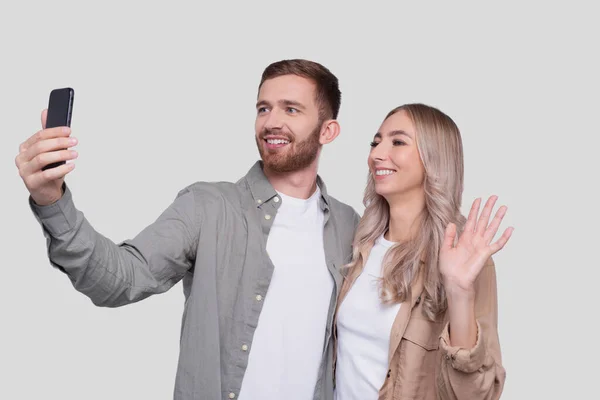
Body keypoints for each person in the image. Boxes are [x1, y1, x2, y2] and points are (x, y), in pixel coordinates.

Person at [15, 59, 360, 400]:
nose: (271, 122)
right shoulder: (207, 206)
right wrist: (51, 199)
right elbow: (120, 280)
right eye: (263, 108)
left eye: (291, 110)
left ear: (327, 131)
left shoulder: (350, 226)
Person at [333, 103, 513, 400]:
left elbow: (477, 394)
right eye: (375, 142)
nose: (377, 154)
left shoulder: (464, 259)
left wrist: (459, 292)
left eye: (398, 142)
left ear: (434, 159)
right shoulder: (360, 244)